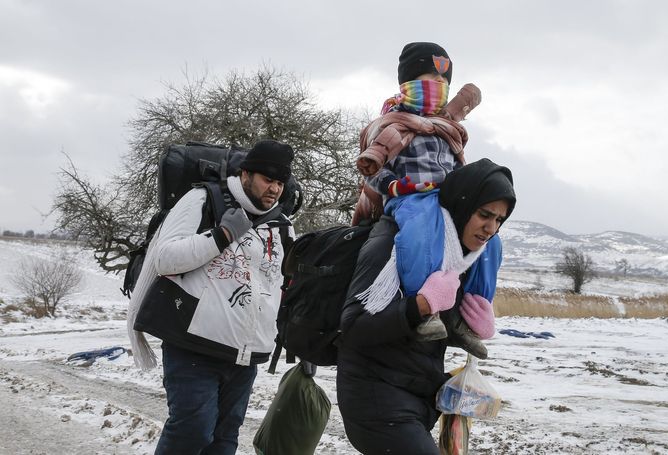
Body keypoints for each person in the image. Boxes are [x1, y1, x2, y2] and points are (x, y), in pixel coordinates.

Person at [337, 158, 516, 455]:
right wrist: (420, 305)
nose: (490, 228)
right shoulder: (393, 242)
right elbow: (353, 328)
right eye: (484, 214)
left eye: (499, 220)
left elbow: (422, 339)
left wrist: (468, 323)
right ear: (462, 204)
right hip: (374, 399)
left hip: (418, 400)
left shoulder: (460, 257)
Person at [128, 140, 295, 455]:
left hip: (245, 354)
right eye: (267, 179)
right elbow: (164, 259)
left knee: (224, 439)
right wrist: (222, 235)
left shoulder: (282, 225)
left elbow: (279, 285)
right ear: (245, 173)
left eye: (280, 182)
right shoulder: (203, 199)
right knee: (192, 432)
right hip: (193, 346)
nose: (274, 188)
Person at [353, 41, 492, 351]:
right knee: (418, 231)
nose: (440, 87)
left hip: (447, 199)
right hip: (409, 198)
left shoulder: (447, 128)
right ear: (409, 82)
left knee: (488, 236)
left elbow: (458, 166)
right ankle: (425, 302)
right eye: (432, 79)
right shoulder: (388, 125)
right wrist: (395, 186)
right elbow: (371, 171)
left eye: (445, 83)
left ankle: (470, 310)